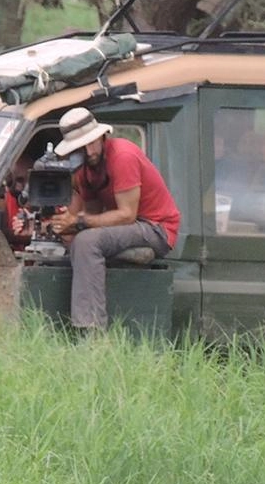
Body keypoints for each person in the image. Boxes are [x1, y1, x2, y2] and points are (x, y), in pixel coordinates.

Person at [47, 107, 180, 330]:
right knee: (79, 239)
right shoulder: (84, 169)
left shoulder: (123, 156)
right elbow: (93, 214)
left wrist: (78, 223)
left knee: (87, 242)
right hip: (130, 227)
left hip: (156, 228)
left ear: (102, 136)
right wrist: (64, 227)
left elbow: (127, 215)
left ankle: (91, 328)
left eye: (92, 143)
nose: (89, 152)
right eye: (82, 147)